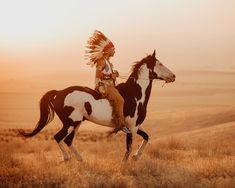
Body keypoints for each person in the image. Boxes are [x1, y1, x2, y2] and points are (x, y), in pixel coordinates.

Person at [85, 30, 127, 134]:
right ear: (108, 50)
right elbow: (98, 75)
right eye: (113, 49)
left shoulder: (108, 62)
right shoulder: (101, 61)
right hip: (104, 86)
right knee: (121, 100)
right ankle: (120, 124)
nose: (115, 51)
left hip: (110, 85)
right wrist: (110, 75)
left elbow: (108, 74)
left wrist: (114, 75)